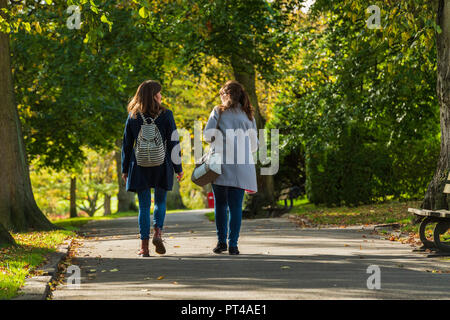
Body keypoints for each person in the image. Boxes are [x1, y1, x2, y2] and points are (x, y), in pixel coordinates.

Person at [121, 80, 183, 257]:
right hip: (162, 164)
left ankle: (144, 247)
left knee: (143, 206)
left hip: (139, 165)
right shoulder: (166, 114)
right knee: (160, 202)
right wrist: (178, 168)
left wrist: (125, 169)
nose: (161, 96)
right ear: (154, 95)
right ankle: (157, 232)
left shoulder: (133, 116)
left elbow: (126, 145)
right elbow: (173, 142)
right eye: (159, 93)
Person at [204, 80, 258, 255]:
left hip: (220, 165)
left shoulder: (218, 112)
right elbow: (255, 145)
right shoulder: (249, 115)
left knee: (220, 205)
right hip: (241, 166)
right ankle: (233, 244)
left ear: (226, 95)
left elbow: (207, 136)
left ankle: (221, 242)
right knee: (236, 206)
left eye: (221, 94)